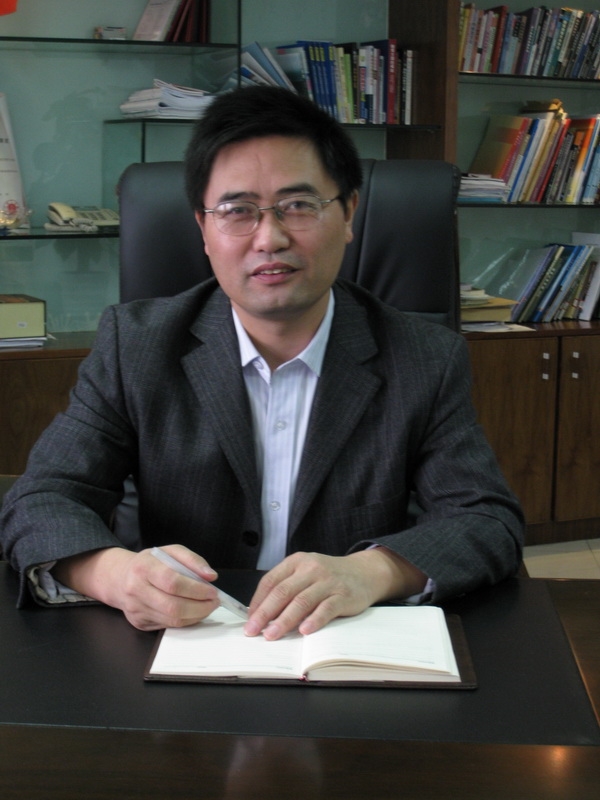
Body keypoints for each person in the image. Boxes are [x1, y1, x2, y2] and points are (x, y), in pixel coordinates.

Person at [0, 85, 524, 640]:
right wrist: (116, 575)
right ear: (203, 228)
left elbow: (487, 519)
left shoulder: (424, 357)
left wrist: (372, 571)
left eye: (298, 206)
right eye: (237, 211)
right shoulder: (137, 346)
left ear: (349, 212)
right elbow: (41, 499)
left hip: (344, 649)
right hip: (183, 647)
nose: (269, 238)